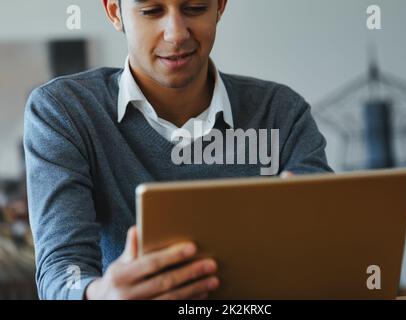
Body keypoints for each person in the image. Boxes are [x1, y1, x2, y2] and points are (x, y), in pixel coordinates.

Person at [24, 0, 332, 300]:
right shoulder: (64, 112)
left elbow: (331, 250)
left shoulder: (280, 112)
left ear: (220, 7)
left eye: (195, 8)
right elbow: (61, 270)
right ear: (115, 12)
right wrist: (99, 295)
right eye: (151, 11)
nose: (176, 34)